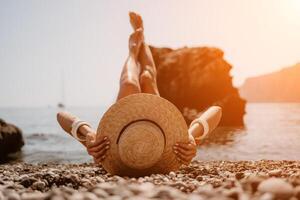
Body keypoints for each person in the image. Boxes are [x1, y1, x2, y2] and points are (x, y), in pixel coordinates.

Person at [57, 12, 222, 166]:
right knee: (147, 78)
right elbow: (217, 111)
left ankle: (133, 52)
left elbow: (61, 116)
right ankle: (141, 39)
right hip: (157, 123)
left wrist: (88, 135)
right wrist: (192, 137)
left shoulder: (105, 151)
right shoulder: (176, 151)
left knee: (129, 82)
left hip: (125, 129)